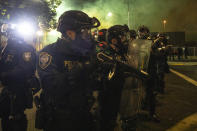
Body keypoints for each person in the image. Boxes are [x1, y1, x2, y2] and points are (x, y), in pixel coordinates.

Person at [36, 10, 101, 131]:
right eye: (85, 31)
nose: (89, 35)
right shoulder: (49, 53)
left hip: (84, 114)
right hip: (60, 119)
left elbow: (93, 84)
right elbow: (51, 85)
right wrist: (82, 68)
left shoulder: (85, 53)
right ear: (70, 33)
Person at [0, 24, 37, 131]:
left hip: (20, 89)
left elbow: (27, 68)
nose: (10, 36)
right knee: (4, 115)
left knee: (17, 117)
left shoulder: (25, 48)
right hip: (7, 88)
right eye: (8, 33)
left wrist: (5, 74)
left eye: (12, 33)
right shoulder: (6, 47)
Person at [99, 24, 130, 131]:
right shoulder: (105, 54)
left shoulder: (122, 53)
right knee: (108, 121)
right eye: (122, 37)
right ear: (113, 40)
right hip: (109, 95)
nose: (125, 40)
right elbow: (104, 76)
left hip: (121, 92)